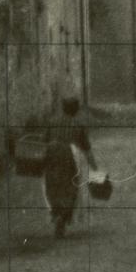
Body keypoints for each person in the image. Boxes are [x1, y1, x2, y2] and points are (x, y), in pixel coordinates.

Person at [42, 97, 97, 238]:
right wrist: (94, 167)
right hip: (70, 157)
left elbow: (43, 142)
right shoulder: (78, 125)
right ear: (76, 110)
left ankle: (56, 214)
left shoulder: (52, 122)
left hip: (52, 156)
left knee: (53, 186)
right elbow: (87, 149)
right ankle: (63, 216)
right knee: (71, 188)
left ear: (63, 108)